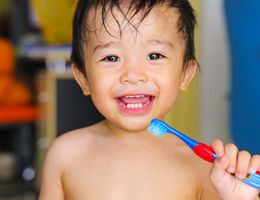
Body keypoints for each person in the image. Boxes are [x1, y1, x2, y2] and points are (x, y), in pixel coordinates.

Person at [39, 0, 260, 199]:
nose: (133, 75)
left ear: (185, 74)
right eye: (111, 57)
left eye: (154, 56)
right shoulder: (65, 154)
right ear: (83, 78)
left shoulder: (204, 168)